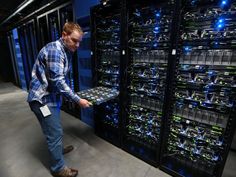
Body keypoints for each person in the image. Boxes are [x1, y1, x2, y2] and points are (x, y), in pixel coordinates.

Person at [28, 22, 92, 177]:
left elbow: (62, 79)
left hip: (52, 98)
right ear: (64, 35)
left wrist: (70, 95)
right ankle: (58, 168)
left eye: (79, 42)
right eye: (74, 40)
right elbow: (58, 81)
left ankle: (57, 151)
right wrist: (77, 100)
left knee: (55, 130)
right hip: (42, 100)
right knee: (54, 132)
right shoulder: (55, 50)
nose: (77, 45)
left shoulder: (65, 51)